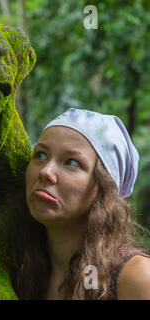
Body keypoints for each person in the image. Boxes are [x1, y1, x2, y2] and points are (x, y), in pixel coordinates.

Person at [14, 108, 150, 300]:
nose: (45, 172)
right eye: (41, 155)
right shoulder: (18, 266)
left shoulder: (136, 278)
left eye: (72, 163)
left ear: (105, 188)